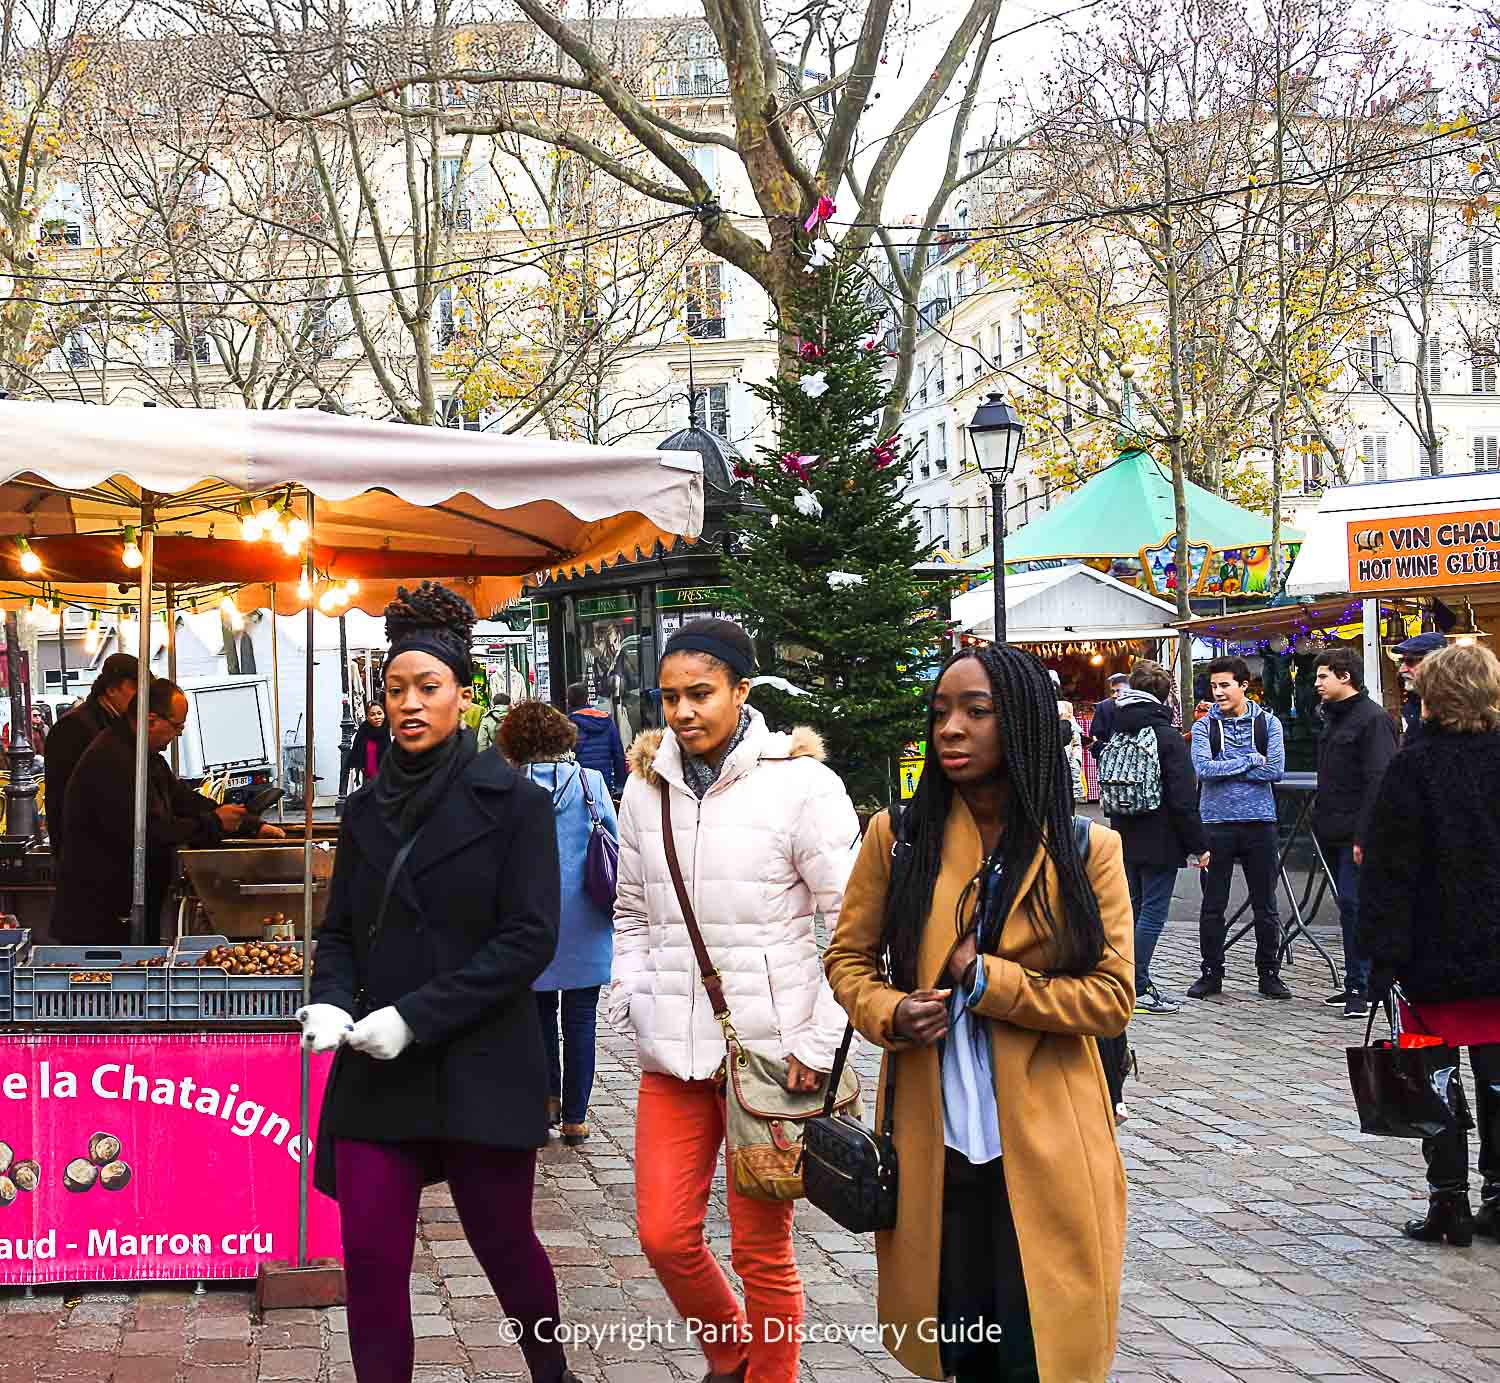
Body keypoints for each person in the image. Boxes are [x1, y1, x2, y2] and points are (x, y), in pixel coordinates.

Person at [824, 643, 1133, 1383]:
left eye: (975, 711)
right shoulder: (899, 838)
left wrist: (992, 981)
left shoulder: (1087, 849)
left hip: (1050, 1148)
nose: (950, 730)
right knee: (962, 1352)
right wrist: (893, 1012)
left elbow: (1113, 995)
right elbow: (847, 962)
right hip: (936, 1153)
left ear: (1020, 720)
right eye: (940, 713)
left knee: (1038, 1357)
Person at [299, 582, 582, 1383]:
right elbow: (343, 930)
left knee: (504, 1246)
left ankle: (548, 1368)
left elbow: (529, 939)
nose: (410, 704)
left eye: (428, 687)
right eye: (396, 689)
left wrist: (416, 1016)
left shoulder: (518, 804)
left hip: (480, 1061)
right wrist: (331, 993)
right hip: (377, 1068)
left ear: (465, 693)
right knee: (371, 1253)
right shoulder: (361, 812)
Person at [608, 618, 857, 1383]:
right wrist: (637, 993)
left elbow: (853, 922)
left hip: (770, 1058)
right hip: (674, 1055)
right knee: (663, 1234)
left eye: (701, 693)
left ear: (742, 690)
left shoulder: (800, 783)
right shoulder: (645, 786)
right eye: (670, 696)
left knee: (761, 1251)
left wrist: (818, 1043)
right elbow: (629, 910)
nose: (683, 711)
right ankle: (731, 1351)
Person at [1358, 643, 1500, 1248]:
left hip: (1430, 951)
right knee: (1498, 1077)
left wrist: (1380, 957)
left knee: (1434, 1076)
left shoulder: (1414, 767)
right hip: (1494, 951)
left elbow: (1389, 873)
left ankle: (1450, 1202)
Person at [50, 678, 280, 945]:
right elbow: (150, 831)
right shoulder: (113, 760)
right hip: (100, 917)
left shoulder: (145, 757)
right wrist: (214, 823)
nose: (179, 735)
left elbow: (182, 799)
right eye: (177, 726)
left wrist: (249, 824)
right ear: (150, 720)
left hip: (126, 907)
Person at [499, 699, 617, 1148]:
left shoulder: (510, 786)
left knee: (541, 1013)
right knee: (582, 1018)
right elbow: (615, 840)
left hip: (531, 916)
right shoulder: (591, 782)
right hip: (585, 914)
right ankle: (576, 1118)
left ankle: (546, 1100)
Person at [1103, 660, 1209, 1016]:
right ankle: (1137, 981)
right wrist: (1198, 844)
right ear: (1165, 696)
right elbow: (1182, 796)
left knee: (1131, 907)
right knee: (1153, 912)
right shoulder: (1166, 736)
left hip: (1125, 828)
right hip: (1160, 833)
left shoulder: (1119, 727)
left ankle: (1121, 976)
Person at [1188, 656, 1289, 1000]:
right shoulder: (1204, 727)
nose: (1217, 692)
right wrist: (1249, 760)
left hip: (1260, 822)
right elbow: (1203, 769)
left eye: (1225, 685)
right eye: (1213, 686)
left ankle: (1269, 973)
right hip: (1214, 824)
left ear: (1244, 686)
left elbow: (1275, 770)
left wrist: (1226, 767)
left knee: (1266, 902)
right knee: (1213, 904)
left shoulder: (1268, 724)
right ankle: (1211, 972)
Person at [1311, 646, 1398, 1021]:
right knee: (1347, 905)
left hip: (1358, 830)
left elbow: (1379, 780)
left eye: (1322, 676)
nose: (1317, 684)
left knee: (1354, 904)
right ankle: (1354, 982)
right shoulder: (1334, 718)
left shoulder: (1372, 719)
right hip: (1334, 826)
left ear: (1344, 677)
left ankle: (1363, 987)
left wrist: (1365, 834)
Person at [43, 652, 138, 857]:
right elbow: (63, 799)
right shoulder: (73, 728)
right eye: (136, 687)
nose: (143, 697)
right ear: (112, 689)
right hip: (86, 856)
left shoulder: (121, 725)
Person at [567, 682, 627, 796]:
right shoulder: (606, 721)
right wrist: (620, 785)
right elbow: (618, 755)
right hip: (604, 784)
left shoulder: (567, 725)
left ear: (568, 702)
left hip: (578, 786)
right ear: (587, 699)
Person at [1390, 630, 1445, 747]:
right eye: (1401, 662)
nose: (1402, 669)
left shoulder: (1455, 708)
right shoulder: (1414, 703)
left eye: (1410, 662)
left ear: (1435, 665)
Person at [343, 703, 391, 790]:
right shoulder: (362, 733)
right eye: (372, 714)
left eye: (380, 713)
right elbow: (357, 757)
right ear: (367, 717)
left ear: (384, 714)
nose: (377, 717)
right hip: (368, 780)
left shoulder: (391, 730)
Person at [1086, 672, 1131, 754]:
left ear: (1129, 691)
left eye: (1118, 691)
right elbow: (1094, 734)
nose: (1114, 695)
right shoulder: (1103, 706)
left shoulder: (1136, 707)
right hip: (1105, 755)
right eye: (1112, 691)